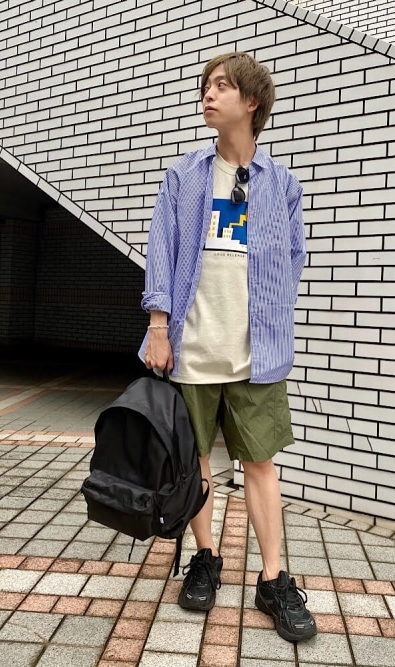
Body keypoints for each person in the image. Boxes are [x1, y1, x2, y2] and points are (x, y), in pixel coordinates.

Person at [139, 52, 316, 643]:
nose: (208, 95)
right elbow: (162, 250)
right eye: (205, 87)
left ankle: (273, 579)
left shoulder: (281, 184)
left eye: (221, 86)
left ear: (252, 101)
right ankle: (206, 558)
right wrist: (159, 325)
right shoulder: (184, 175)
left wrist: (273, 317)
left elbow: (294, 257)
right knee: (195, 461)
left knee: (261, 464)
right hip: (192, 346)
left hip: (256, 353)